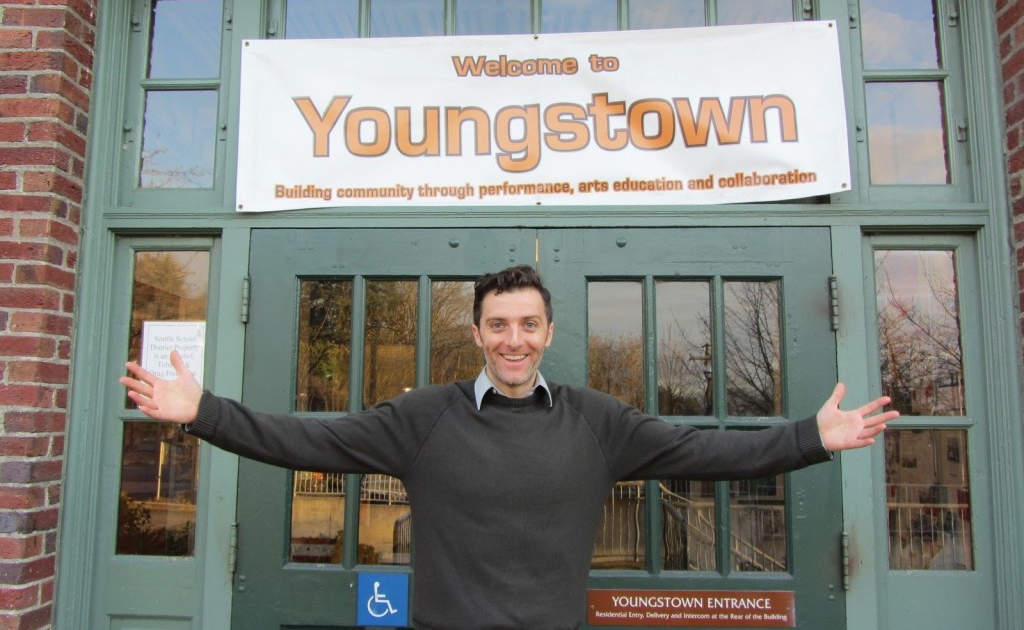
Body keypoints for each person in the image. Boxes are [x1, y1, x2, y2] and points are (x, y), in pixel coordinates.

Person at [120, 265, 898, 630]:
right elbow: (306, 437)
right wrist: (203, 412)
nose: (514, 338)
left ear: (549, 333)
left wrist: (810, 438)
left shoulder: (599, 422)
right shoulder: (424, 416)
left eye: (528, 324)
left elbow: (706, 453)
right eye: (499, 324)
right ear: (478, 333)